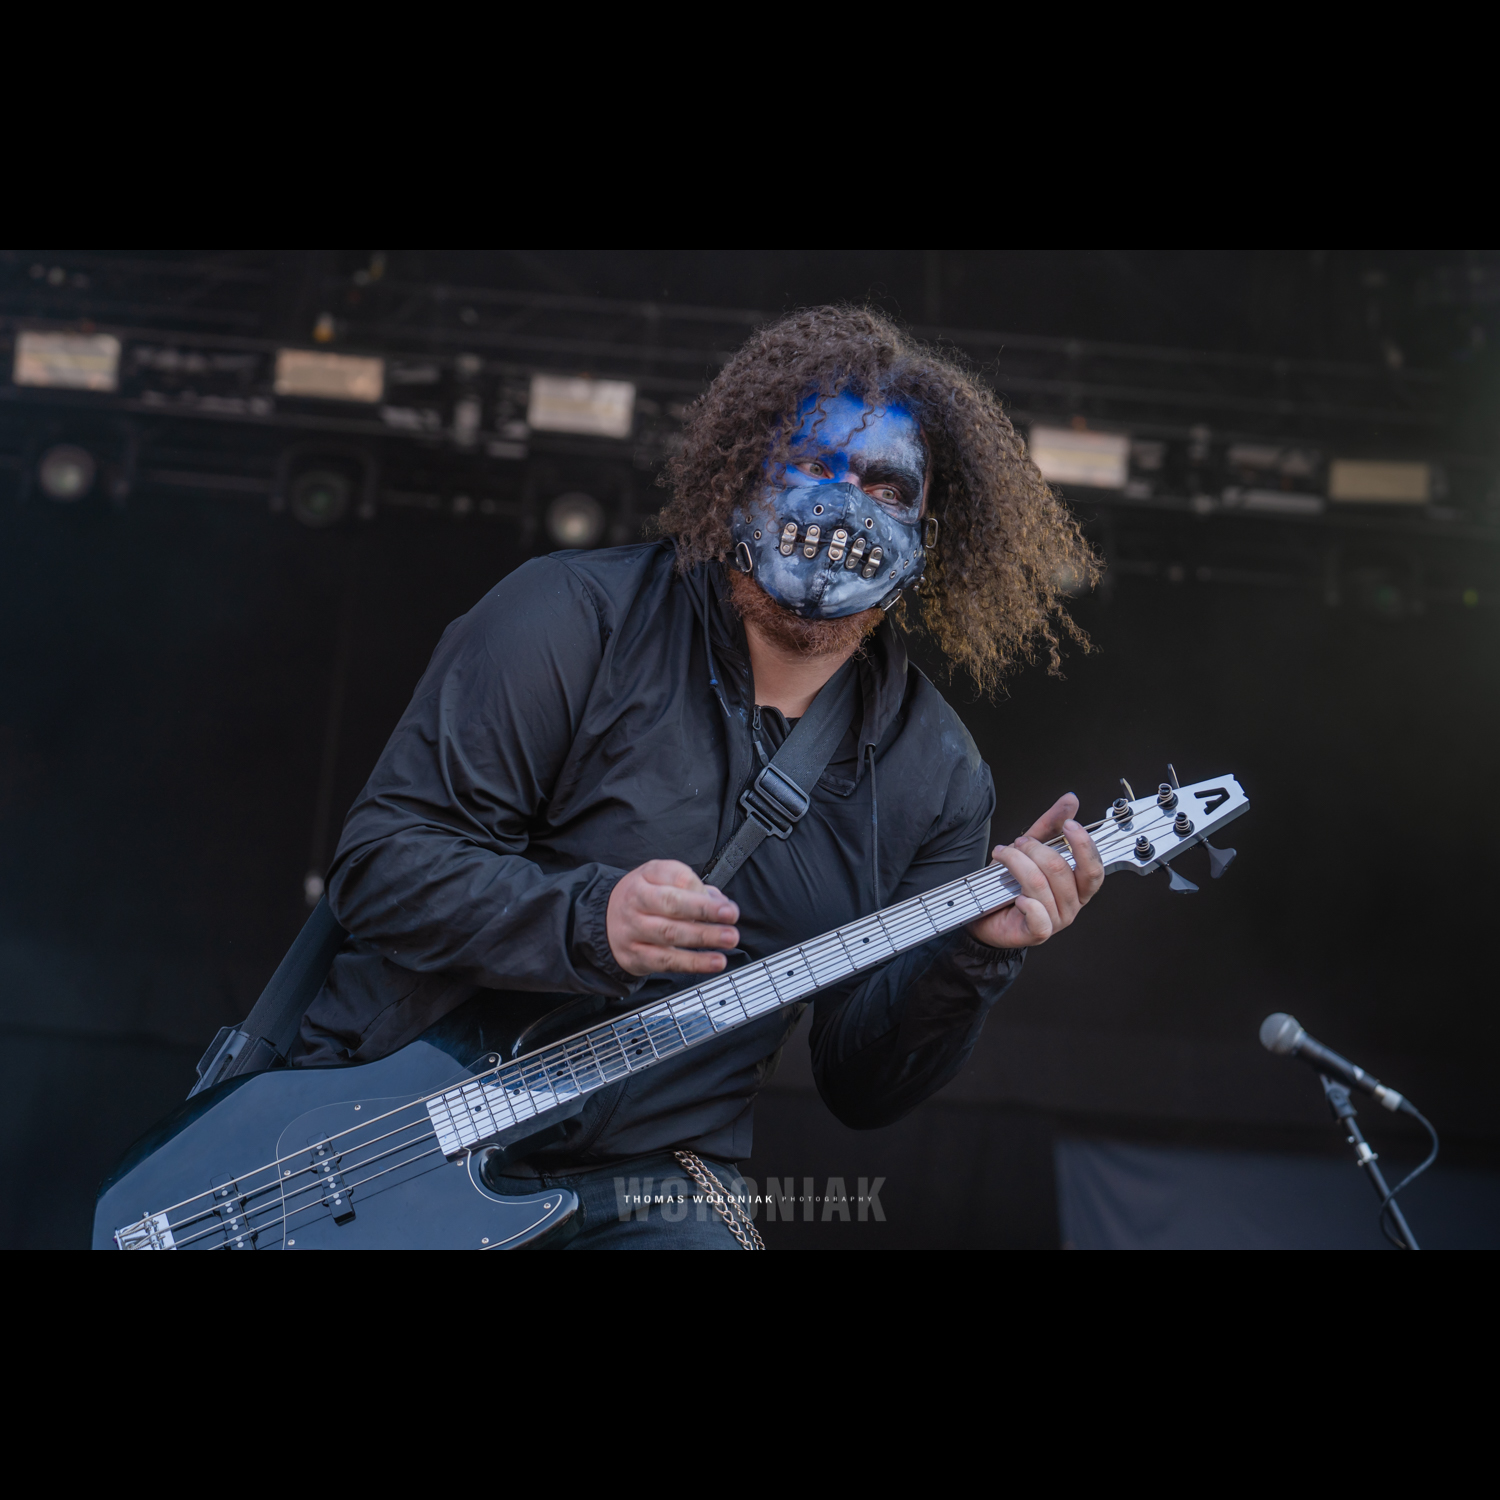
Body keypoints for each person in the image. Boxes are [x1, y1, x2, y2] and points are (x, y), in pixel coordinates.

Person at [291, 306, 1104, 1248]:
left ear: (927, 534)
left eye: (886, 486)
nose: (844, 506)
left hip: (648, 1182)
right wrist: (590, 922)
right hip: (390, 1132)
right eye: (813, 465)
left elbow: (863, 1086)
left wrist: (972, 957)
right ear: (741, 476)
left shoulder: (940, 778)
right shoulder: (570, 618)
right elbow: (382, 868)